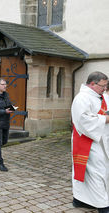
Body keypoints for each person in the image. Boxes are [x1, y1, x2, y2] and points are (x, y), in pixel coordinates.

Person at [71, 71, 109, 213]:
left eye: (106, 86)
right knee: (96, 173)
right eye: (102, 86)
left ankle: (80, 199)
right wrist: (105, 119)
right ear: (92, 84)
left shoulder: (101, 96)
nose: (105, 89)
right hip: (87, 142)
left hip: (101, 140)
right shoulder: (82, 98)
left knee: (95, 172)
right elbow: (83, 120)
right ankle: (103, 207)